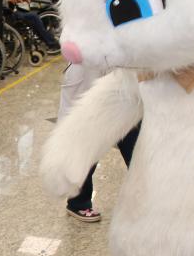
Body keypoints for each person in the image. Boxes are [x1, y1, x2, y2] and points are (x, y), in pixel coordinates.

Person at [59, 64, 139, 221]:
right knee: (86, 145)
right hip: (89, 71)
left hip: (120, 79)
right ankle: (78, 202)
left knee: (135, 140)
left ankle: (149, 198)